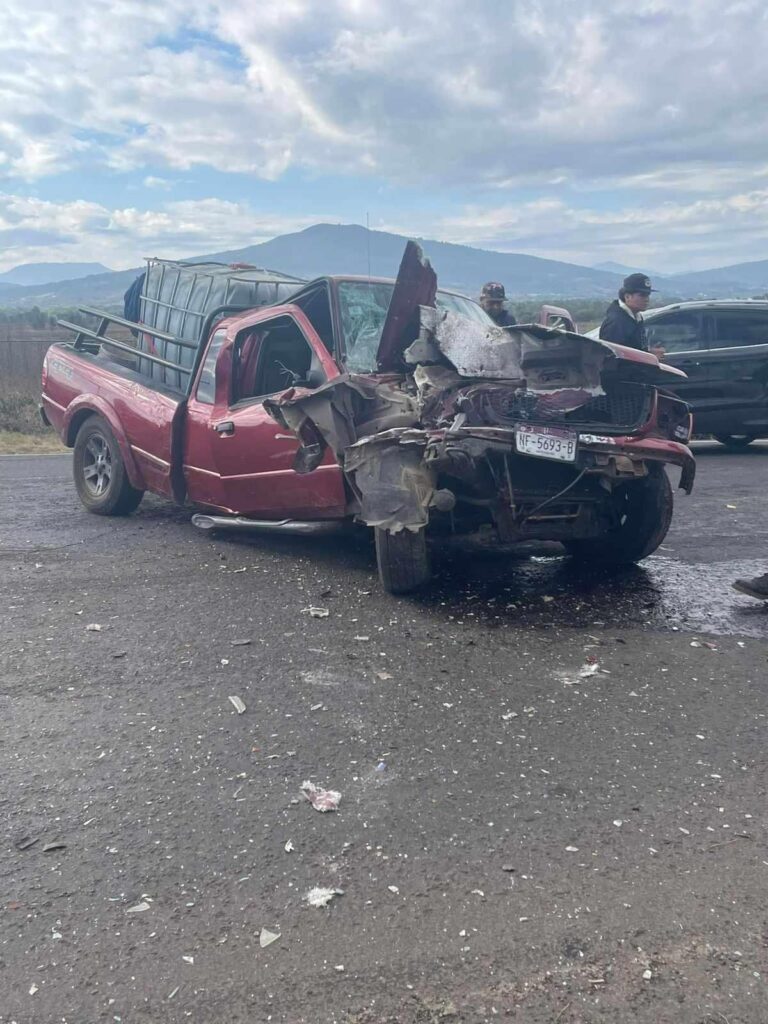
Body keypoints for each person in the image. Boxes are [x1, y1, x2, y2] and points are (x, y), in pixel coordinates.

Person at [599, 273, 664, 356]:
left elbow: (634, 350)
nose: (647, 299)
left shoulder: (635, 317)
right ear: (627, 297)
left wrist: (649, 354)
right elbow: (613, 358)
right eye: (642, 295)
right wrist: (648, 357)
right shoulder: (616, 322)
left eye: (648, 295)